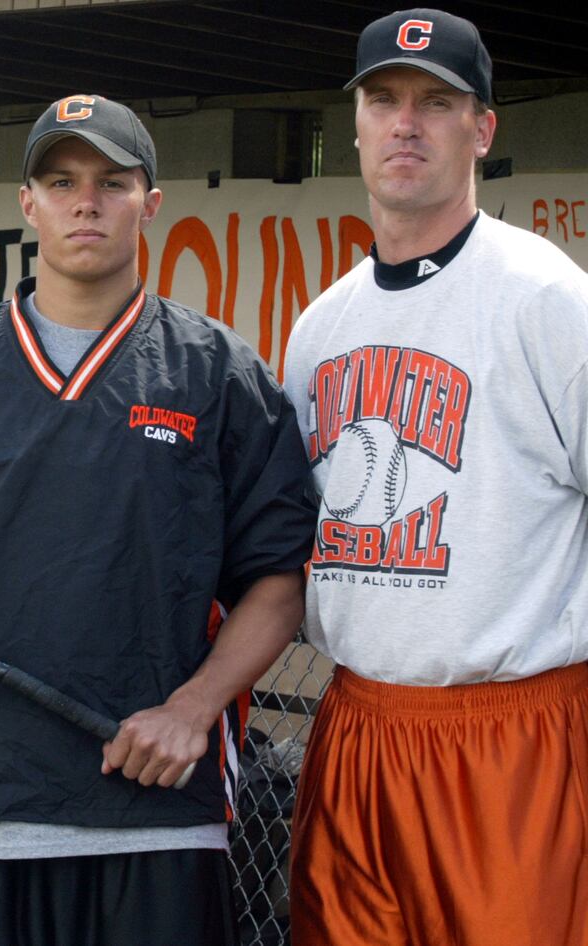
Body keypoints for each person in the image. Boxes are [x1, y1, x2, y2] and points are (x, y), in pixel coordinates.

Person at [0, 95, 316, 946]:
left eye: (113, 181)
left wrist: (192, 706)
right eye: (62, 181)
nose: (86, 202)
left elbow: (279, 583)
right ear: (27, 203)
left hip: (157, 811)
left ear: (150, 202)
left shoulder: (217, 374)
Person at [283, 10, 588, 944]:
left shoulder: (547, 299)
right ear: (359, 124)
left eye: (436, 103)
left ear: (483, 129)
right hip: (358, 725)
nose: (405, 123)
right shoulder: (318, 329)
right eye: (383, 100)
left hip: (514, 737)